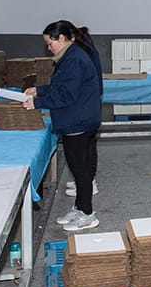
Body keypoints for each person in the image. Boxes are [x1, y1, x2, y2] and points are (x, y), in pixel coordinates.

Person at [23, 20, 102, 231]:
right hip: (79, 119)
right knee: (79, 169)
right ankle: (80, 207)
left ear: (61, 38)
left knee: (80, 170)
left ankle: (87, 215)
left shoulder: (74, 59)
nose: (48, 48)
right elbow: (62, 85)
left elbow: (66, 95)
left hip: (78, 121)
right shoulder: (69, 56)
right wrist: (40, 90)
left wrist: (37, 103)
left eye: (50, 43)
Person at [55, 20, 103, 199]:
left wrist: (40, 101)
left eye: (51, 43)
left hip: (82, 110)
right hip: (88, 106)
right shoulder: (84, 50)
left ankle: (87, 187)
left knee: (81, 157)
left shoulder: (78, 54)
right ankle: (86, 184)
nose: (50, 48)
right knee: (87, 150)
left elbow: (70, 90)